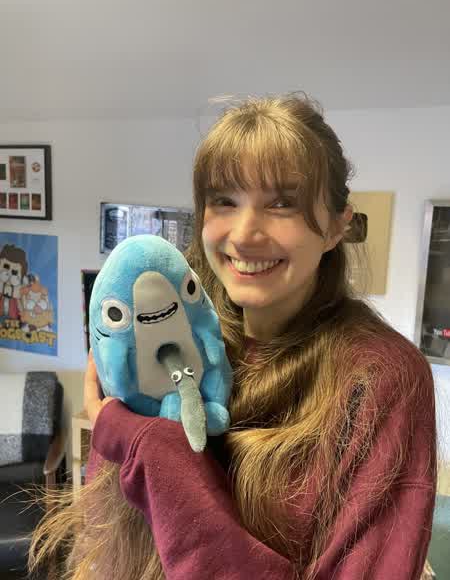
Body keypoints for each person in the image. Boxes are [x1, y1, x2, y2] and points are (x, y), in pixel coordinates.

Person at [30, 94, 437, 580]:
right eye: (224, 200)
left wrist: (149, 447)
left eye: (282, 203)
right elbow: (105, 533)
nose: (243, 235)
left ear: (336, 227)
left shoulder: (381, 377)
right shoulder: (169, 333)